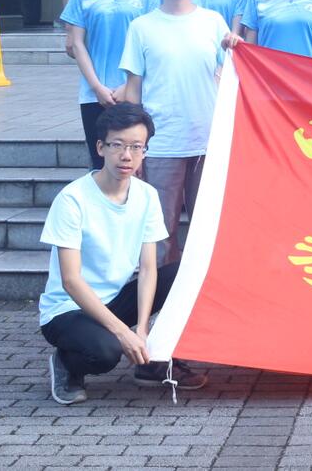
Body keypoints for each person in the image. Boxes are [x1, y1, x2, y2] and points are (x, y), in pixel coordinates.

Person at [39, 102, 207, 404]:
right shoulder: (73, 199)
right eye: (117, 145)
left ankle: (150, 363)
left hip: (113, 300)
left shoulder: (146, 196)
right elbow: (71, 281)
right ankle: (66, 363)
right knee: (106, 353)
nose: (126, 155)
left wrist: (141, 329)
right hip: (68, 310)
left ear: (144, 151)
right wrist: (122, 333)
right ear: (100, 148)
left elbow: (148, 268)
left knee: (184, 273)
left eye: (136, 147)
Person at [118, 0, 236, 267]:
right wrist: (135, 146)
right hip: (162, 144)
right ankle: (160, 296)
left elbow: (234, 76)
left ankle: (202, 295)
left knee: (208, 230)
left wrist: (236, 49)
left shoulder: (214, 22)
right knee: (160, 233)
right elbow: (133, 91)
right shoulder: (142, 27)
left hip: (207, 143)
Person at [61, 0, 160, 168]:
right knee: (100, 163)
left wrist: (128, 86)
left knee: (135, 164)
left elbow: (152, 45)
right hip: (93, 94)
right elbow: (77, 44)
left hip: (136, 92)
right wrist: (97, 87)